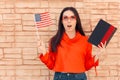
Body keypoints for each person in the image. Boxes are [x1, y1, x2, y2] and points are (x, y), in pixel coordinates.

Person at [37, 7, 106, 80]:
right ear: (62, 21)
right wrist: (44, 52)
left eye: (72, 17)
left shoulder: (85, 40)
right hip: (60, 77)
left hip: (80, 77)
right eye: (65, 18)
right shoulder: (54, 40)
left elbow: (86, 66)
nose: (69, 20)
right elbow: (51, 65)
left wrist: (98, 54)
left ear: (76, 21)